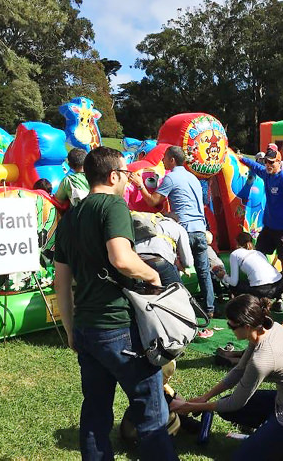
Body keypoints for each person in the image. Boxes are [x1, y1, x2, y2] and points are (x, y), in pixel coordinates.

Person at [54, 146, 177, 461]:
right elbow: (121, 258)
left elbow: (61, 283)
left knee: (95, 413)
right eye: (126, 174)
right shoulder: (113, 205)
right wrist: (154, 277)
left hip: (86, 329)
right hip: (118, 328)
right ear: (113, 176)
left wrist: (70, 330)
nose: (128, 179)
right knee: (151, 413)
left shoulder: (69, 218)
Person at [171, 294, 283, 460]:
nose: (229, 327)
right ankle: (280, 436)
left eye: (232, 325)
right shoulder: (266, 329)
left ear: (248, 325)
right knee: (227, 408)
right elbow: (239, 370)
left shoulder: (263, 359)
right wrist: (204, 398)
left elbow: (236, 403)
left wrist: (192, 407)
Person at [132, 145, 216, 318]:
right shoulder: (193, 178)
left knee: (174, 270)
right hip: (200, 230)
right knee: (203, 271)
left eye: (164, 159)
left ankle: (178, 309)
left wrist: (140, 186)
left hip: (183, 230)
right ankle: (210, 309)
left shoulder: (170, 178)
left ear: (171, 160)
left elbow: (153, 202)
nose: (162, 162)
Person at [239, 148, 283, 299]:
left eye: (271, 162)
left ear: (279, 162)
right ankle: (261, 282)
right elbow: (255, 167)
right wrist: (241, 157)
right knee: (258, 253)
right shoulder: (266, 174)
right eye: (266, 162)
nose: (268, 165)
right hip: (268, 226)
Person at [214, 232, 283, 310]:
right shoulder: (258, 252)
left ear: (236, 242)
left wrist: (224, 276)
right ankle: (279, 300)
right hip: (280, 285)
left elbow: (233, 282)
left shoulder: (235, 254)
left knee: (234, 286)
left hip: (262, 290)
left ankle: (244, 306)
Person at [133, 212, 194, 287]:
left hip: (136, 259)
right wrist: (184, 266)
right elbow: (188, 262)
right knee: (178, 292)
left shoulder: (152, 223)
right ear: (178, 221)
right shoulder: (178, 227)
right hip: (158, 262)